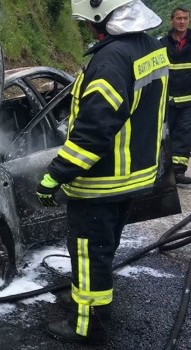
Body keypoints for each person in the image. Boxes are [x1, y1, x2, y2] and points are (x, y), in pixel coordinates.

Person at [35, 0, 168, 345]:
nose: (88, 30)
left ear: (102, 15)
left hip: (100, 183)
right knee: (103, 250)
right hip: (132, 176)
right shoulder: (150, 47)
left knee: (88, 254)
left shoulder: (111, 60)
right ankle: (89, 302)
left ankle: (87, 325)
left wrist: (54, 176)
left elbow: (92, 133)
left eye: (88, 24)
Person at [160, 6, 191, 185]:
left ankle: (178, 173)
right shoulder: (162, 44)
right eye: (179, 18)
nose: (182, 22)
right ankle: (163, 171)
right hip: (167, 100)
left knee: (184, 135)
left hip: (188, 101)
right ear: (172, 20)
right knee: (163, 136)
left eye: (185, 18)